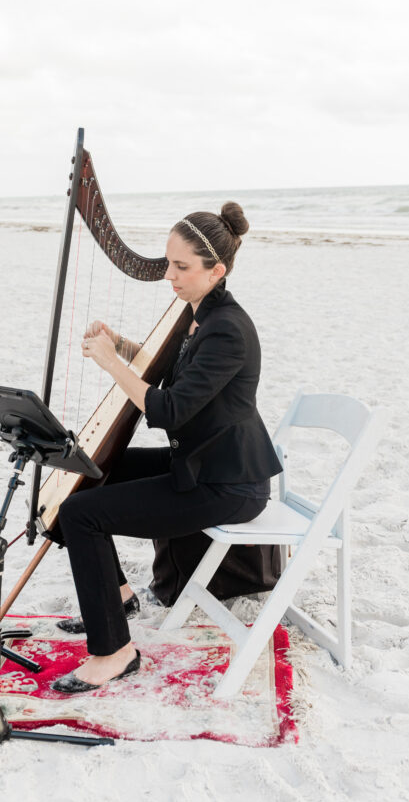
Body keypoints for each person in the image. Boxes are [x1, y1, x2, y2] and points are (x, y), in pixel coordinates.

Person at [50, 202, 282, 695]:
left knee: (81, 514)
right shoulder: (199, 315)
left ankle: (114, 652)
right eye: (168, 263)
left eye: (181, 267)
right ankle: (118, 595)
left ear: (215, 270)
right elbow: (175, 372)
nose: (169, 276)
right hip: (197, 463)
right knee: (90, 473)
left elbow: (172, 409)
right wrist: (126, 346)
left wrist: (113, 365)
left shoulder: (228, 330)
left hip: (227, 482)